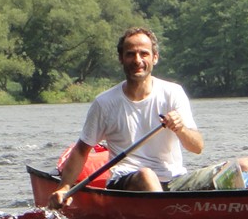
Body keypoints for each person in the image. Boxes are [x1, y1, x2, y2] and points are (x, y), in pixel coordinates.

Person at [49, 27, 205, 208]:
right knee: (147, 175)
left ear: (155, 57)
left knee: (243, 166)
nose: (137, 60)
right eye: (131, 54)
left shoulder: (173, 93)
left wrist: (181, 129)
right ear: (121, 59)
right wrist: (64, 187)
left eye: (144, 54)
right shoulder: (104, 102)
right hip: (126, 181)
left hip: (174, 181)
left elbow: (197, 147)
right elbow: (81, 150)